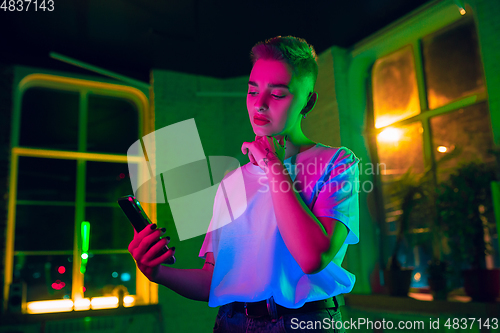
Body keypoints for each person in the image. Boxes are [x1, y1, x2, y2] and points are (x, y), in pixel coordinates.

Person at [128, 36, 360, 333]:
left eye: (277, 94)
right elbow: (213, 280)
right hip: (231, 323)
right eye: (252, 90)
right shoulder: (231, 182)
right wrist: (157, 272)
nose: (259, 105)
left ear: (308, 101)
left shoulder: (336, 162)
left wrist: (273, 165)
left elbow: (313, 257)